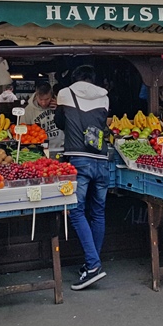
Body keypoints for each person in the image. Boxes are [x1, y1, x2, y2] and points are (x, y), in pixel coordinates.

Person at [54, 65, 110, 290]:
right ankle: (91, 263)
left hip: (79, 160)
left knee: (75, 211)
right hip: (102, 160)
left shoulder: (65, 93)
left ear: (74, 77)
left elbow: (59, 123)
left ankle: (94, 265)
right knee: (98, 212)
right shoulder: (104, 97)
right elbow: (102, 126)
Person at [22, 80, 64, 151]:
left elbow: (69, 123)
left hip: (60, 148)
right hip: (38, 150)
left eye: (47, 99)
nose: (43, 103)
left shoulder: (61, 104)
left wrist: (60, 109)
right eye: (40, 99)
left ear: (52, 95)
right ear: (36, 96)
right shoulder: (28, 110)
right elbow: (23, 132)